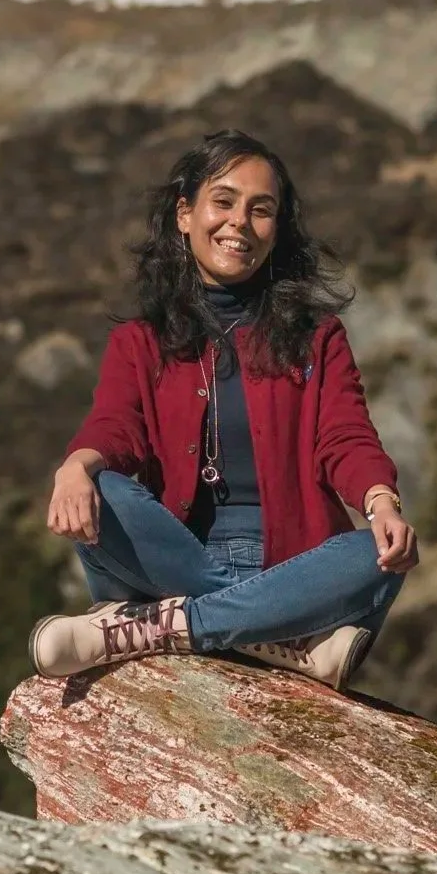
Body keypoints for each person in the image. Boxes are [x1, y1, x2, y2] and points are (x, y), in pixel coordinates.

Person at [34, 128, 417, 689]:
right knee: (106, 491)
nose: (240, 222)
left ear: (276, 230)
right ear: (185, 214)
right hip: (176, 557)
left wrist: (381, 503)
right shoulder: (139, 342)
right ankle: (278, 636)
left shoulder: (319, 338)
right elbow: (118, 426)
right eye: (224, 201)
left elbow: (346, 435)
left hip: (291, 565)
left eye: (261, 210)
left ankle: (157, 627)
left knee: (375, 556)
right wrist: (76, 466)